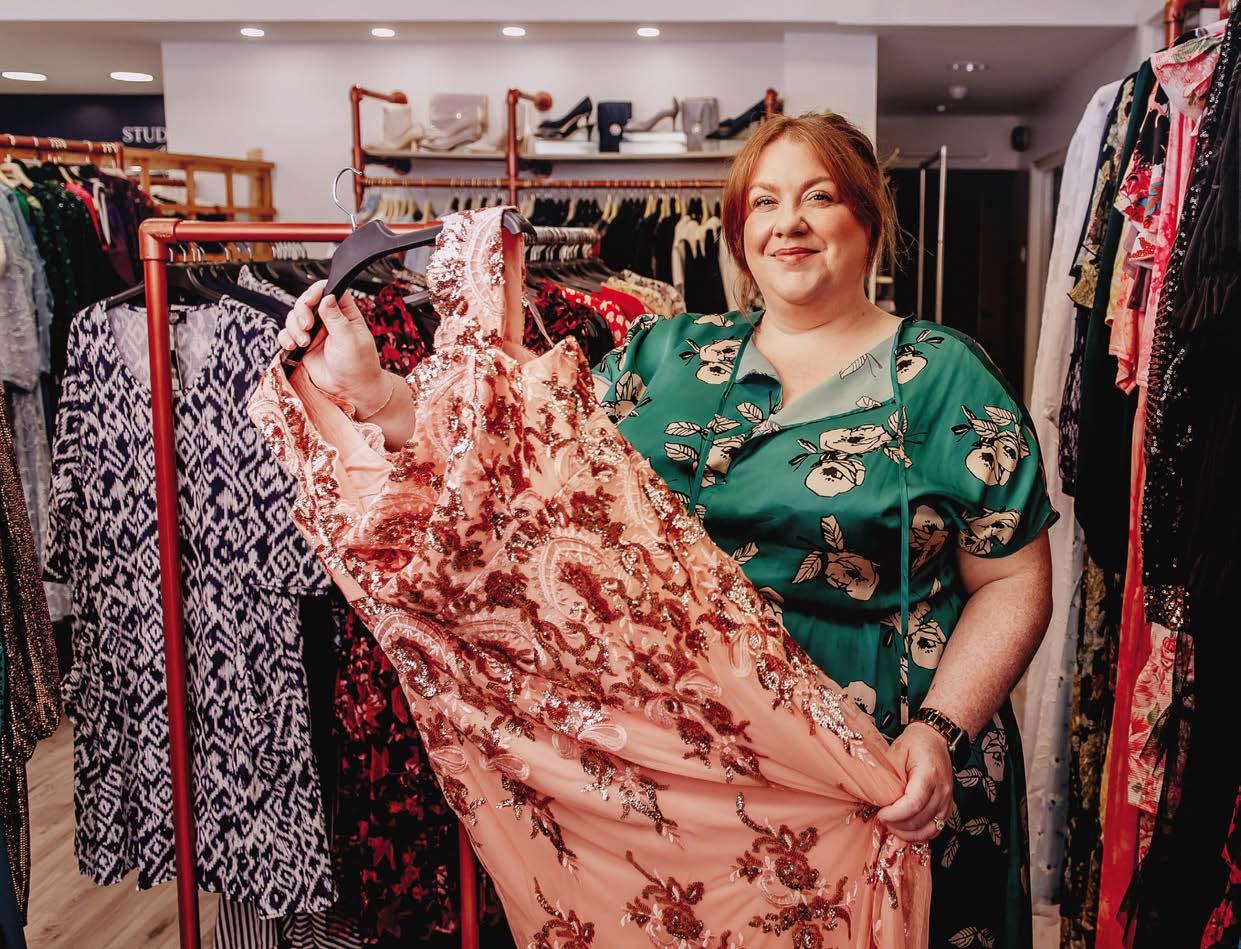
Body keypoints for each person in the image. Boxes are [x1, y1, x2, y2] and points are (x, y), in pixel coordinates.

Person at [278, 112, 1055, 948]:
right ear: (738, 232)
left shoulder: (944, 376)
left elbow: (1013, 582)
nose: (787, 223)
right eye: (763, 203)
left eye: (819, 197)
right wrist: (373, 391)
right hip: (694, 776)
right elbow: (509, 466)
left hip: (893, 764)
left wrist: (939, 729)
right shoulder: (664, 356)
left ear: (867, 219)